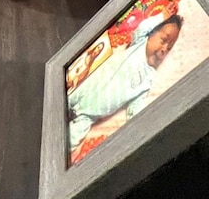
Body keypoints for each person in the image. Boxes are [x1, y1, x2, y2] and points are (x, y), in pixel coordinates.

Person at [68, 13, 183, 154]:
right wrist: (162, 17)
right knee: (60, 101)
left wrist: (140, 128)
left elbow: (136, 106)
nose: (164, 48)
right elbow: (143, 27)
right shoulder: (139, 44)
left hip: (91, 114)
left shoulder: (148, 78)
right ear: (151, 34)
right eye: (163, 40)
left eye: (169, 47)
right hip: (85, 88)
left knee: (70, 141)